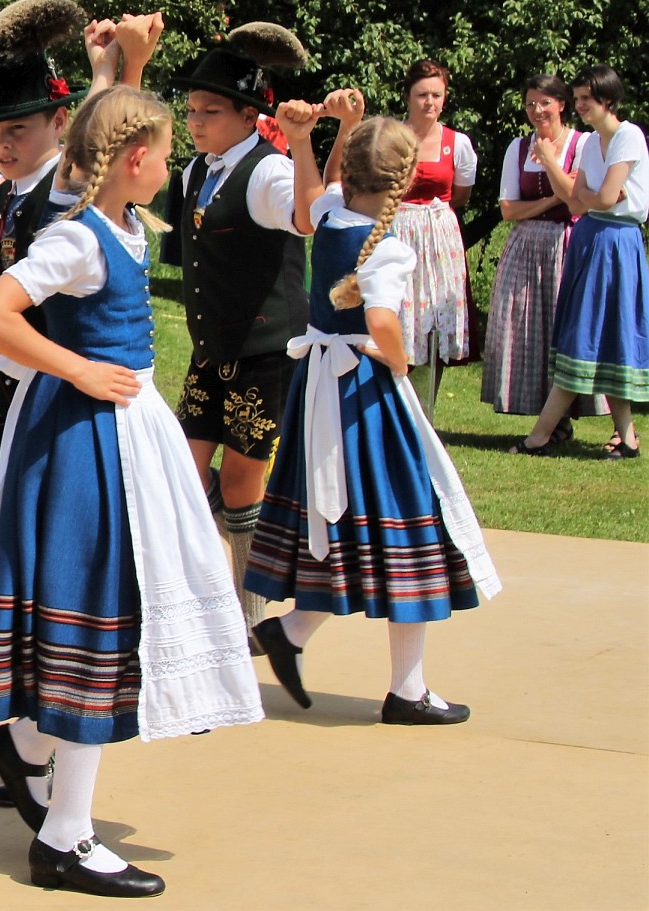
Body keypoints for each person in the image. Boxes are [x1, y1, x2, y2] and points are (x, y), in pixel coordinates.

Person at [0, 86, 261, 898]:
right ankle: (64, 836)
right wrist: (79, 368)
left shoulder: (124, 227)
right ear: (134, 158)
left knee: (116, 617)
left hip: (124, 435)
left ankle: (26, 751)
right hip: (87, 445)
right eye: (165, 152)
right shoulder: (78, 237)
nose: (172, 165)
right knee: (101, 620)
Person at [249, 114, 501, 724]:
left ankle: (294, 631)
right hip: (363, 394)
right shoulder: (386, 247)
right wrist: (399, 358)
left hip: (320, 388)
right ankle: (406, 689)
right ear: (406, 181)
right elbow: (383, 320)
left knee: (343, 523)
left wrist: (305, 142)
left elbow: (311, 197)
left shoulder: (332, 216)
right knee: (411, 524)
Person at [0, 1, 163, 574]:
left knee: (38, 563)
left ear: (61, 123)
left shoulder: (68, 197)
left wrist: (115, 69)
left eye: (17, 128)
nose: (2, 143)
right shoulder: (0, 197)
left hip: (52, 403)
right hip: (0, 403)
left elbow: (111, 135)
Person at [165, 23, 313, 643]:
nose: (196, 122)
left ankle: (248, 617)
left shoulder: (268, 171)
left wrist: (302, 146)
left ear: (250, 116)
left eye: (211, 111)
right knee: (182, 470)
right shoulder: (194, 174)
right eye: (192, 110)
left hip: (266, 351)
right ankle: (218, 592)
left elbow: (305, 216)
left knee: (240, 480)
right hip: (212, 350)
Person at [509, 65, 647, 458]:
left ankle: (540, 435)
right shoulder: (591, 143)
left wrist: (596, 196)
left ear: (608, 99)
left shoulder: (628, 136)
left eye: (587, 98)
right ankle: (627, 438)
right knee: (589, 332)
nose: (581, 105)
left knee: (591, 333)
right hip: (590, 237)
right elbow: (577, 202)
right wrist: (595, 195)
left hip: (616, 242)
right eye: (579, 98)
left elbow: (597, 198)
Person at [481, 74, 605, 429]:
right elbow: (508, 210)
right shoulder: (518, 147)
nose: (537, 110)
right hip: (525, 244)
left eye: (545, 103)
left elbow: (574, 199)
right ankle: (543, 414)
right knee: (523, 326)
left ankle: (562, 419)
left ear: (562, 104)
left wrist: (550, 162)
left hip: (567, 243)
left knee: (563, 326)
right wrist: (552, 199)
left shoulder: (583, 144)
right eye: (530, 104)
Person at [388, 60, 478, 418]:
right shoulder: (391, 138)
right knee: (397, 315)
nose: (430, 102)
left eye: (436, 95)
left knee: (434, 320)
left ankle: (425, 412)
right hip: (398, 230)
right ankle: (394, 408)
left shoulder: (458, 143)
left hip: (439, 237)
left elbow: (461, 194)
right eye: (422, 94)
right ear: (408, 97)